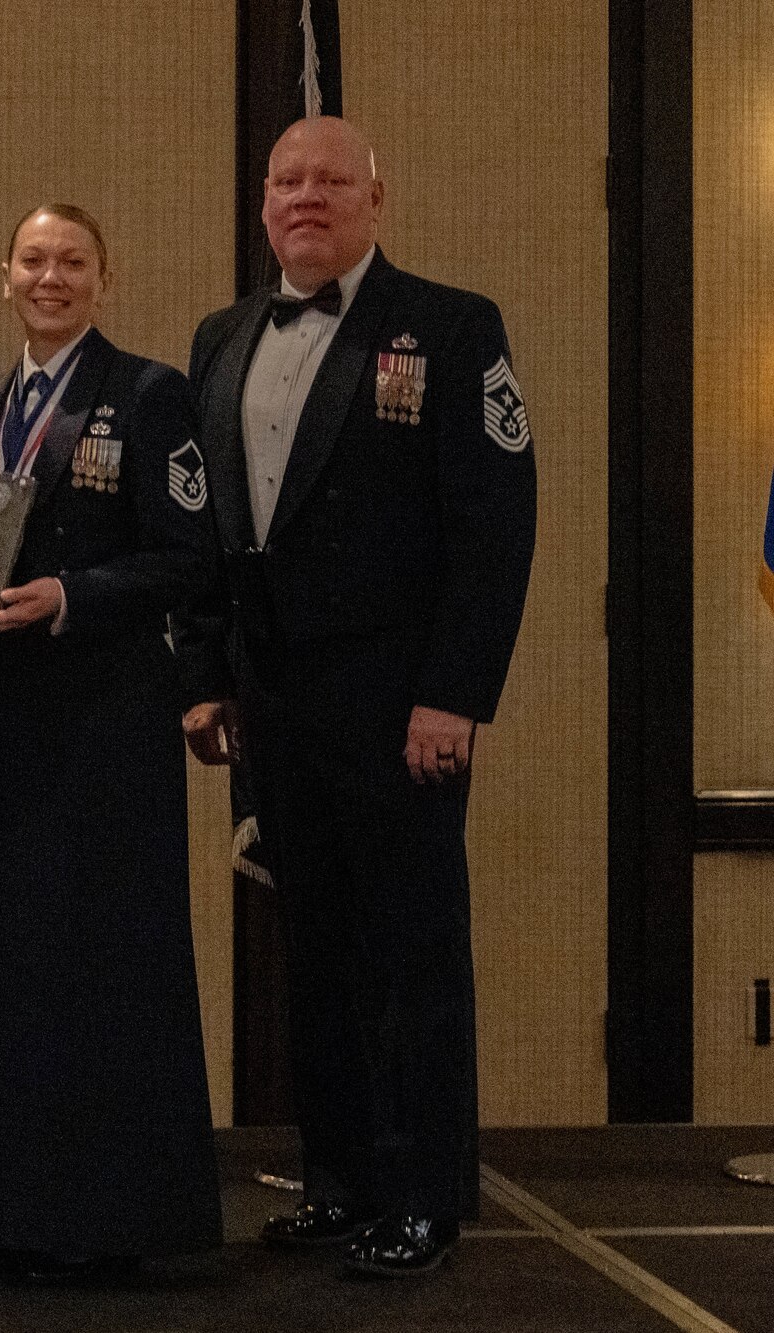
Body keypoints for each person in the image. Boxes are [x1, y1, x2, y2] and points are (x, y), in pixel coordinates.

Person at [176, 116, 536, 1278]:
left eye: (331, 179)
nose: (306, 197)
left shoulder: (448, 324)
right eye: (287, 180)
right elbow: (214, 533)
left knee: (408, 952)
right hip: (275, 705)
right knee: (314, 954)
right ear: (263, 203)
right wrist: (210, 676)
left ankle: (423, 1191)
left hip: (399, 707)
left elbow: (493, 532)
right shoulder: (220, 335)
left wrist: (453, 697)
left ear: (375, 199)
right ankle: (336, 1180)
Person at [0, 204, 223, 1282]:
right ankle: (13, 1213)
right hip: (3, 731)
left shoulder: (148, 394)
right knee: (7, 971)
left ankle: (115, 1220)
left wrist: (66, 593)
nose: (50, 278)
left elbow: (186, 557)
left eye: (72, 262)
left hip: (106, 730)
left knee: (108, 972)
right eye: (33, 260)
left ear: (104, 278)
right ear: (3, 278)